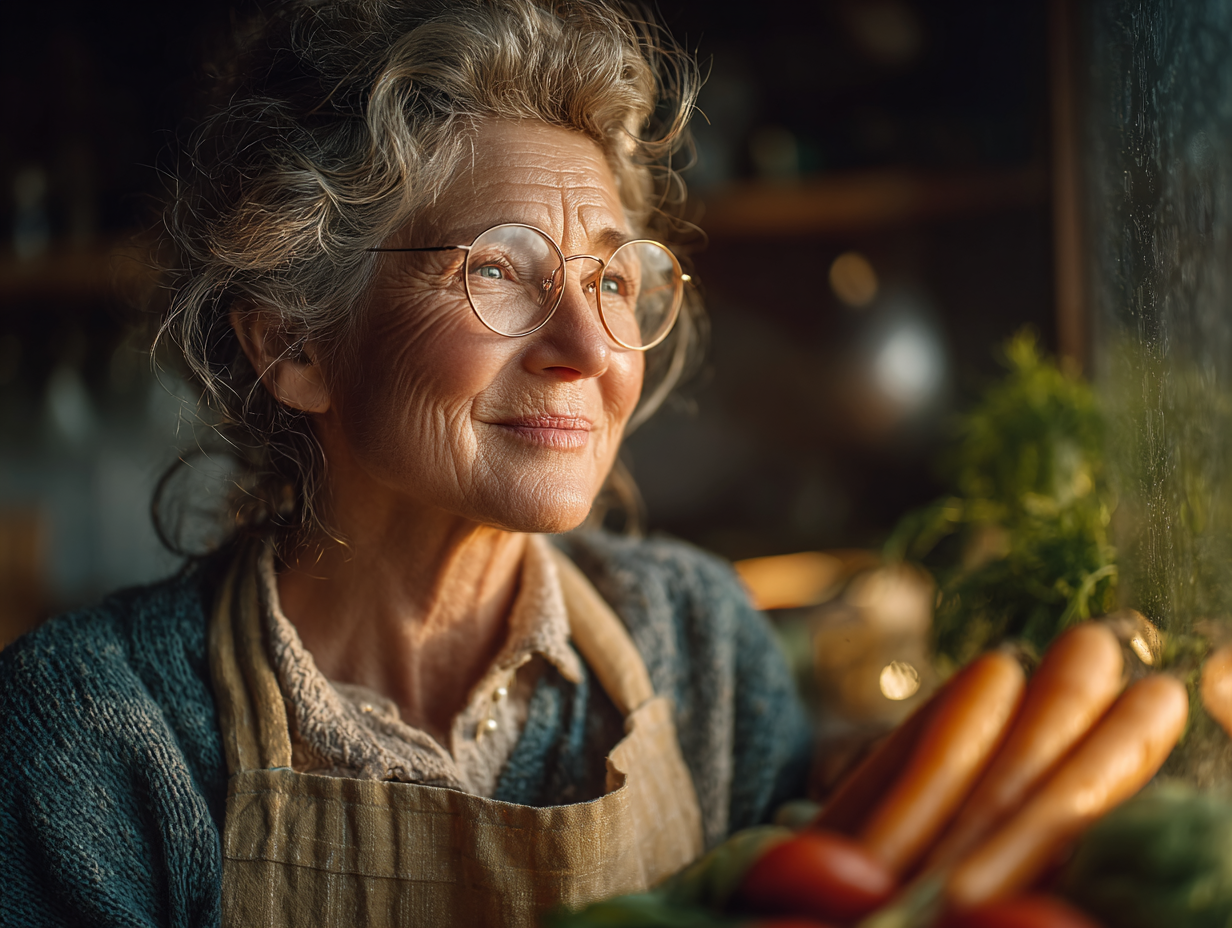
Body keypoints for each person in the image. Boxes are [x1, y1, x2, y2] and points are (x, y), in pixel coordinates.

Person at [0, 2, 812, 926]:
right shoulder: (89, 735)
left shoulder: (706, 649)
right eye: (500, 269)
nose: (589, 348)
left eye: (613, 281)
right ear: (295, 346)